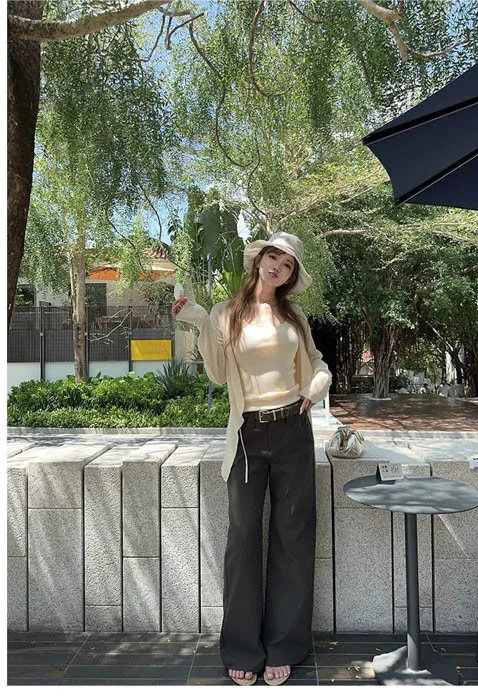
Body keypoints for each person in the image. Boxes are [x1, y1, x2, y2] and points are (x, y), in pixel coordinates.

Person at [172, 232, 332, 686]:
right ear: (259, 260)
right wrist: (198, 319)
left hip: (292, 428)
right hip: (247, 433)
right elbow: (219, 375)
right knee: (242, 538)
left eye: (287, 264)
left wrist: (315, 387)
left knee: (293, 537)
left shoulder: (294, 316)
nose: (277, 266)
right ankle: (242, 647)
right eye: (273, 257)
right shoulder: (227, 313)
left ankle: (284, 646)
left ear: (291, 275)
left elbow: (318, 363)